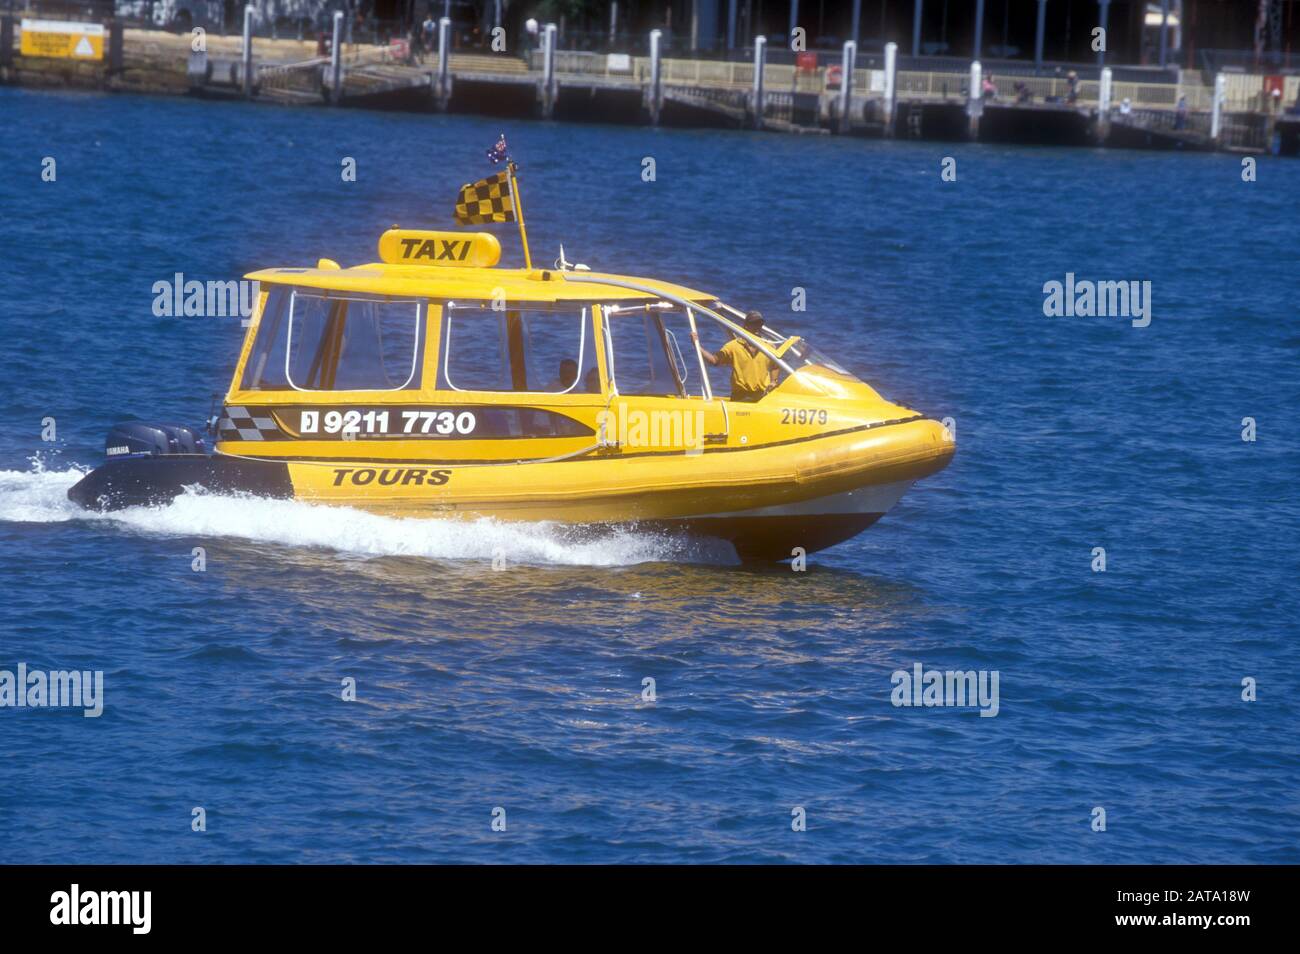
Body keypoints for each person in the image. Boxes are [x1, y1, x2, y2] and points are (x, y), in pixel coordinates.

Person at [691, 311, 778, 403]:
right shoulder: (733, 346)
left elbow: (775, 366)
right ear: (746, 326)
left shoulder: (768, 346)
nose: (757, 327)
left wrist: (774, 381)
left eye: (759, 323)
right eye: (754, 323)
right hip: (741, 397)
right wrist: (697, 345)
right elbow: (714, 360)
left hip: (762, 396)